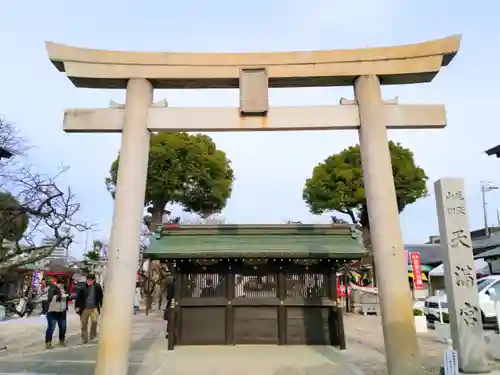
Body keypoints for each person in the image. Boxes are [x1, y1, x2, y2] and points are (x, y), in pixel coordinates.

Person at [75, 274, 103, 344]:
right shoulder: (82, 287)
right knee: (84, 324)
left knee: (94, 322)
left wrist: (102, 305)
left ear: (94, 280)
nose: (89, 281)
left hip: (94, 308)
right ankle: (84, 339)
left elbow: (101, 296)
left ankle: (92, 336)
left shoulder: (97, 286)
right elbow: (78, 298)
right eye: (88, 280)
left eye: (91, 280)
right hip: (84, 309)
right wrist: (77, 307)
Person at [45, 277, 71, 350]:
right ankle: (48, 343)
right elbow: (50, 297)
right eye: (60, 283)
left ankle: (62, 340)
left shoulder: (65, 288)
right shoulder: (52, 288)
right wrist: (60, 296)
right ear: (57, 283)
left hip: (62, 311)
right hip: (53, 312)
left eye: (62, 284)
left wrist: (69, 296)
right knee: (51, 327)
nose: (61, 285)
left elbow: (68, 297)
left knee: (63, 327)